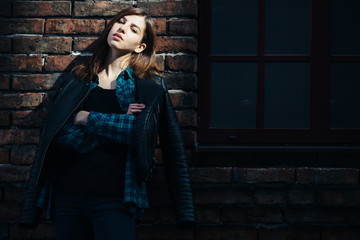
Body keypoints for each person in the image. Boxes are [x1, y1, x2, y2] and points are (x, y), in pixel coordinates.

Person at [19, 7, 195, 239]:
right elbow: (58, 136)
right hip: (67, 196)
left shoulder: (148, 89)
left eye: (133, 29)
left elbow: (146, 137)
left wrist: (86, 118)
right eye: (120, 22)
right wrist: (119, 123)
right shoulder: (75, 82)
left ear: (140, 46)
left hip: (116, 199)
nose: (122, 28)